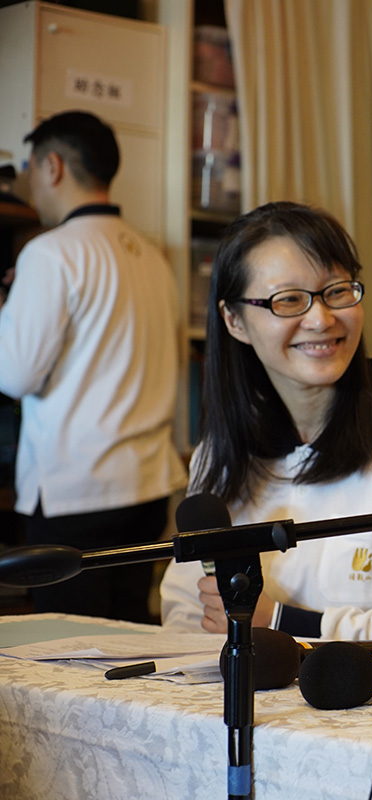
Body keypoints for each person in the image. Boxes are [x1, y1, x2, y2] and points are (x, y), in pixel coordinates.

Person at [158, 202, 372, 658]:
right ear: (234, 320)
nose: (320, 319)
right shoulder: (220, 451)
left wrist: (284, 623)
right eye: (289, 300)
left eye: (336, 291)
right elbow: (184, 610)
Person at [0, 111, 186, 623]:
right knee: (129, 634)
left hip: (74, 489)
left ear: (53, 166)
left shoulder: (50, 253)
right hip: (146, 485)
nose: (29, 183)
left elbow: (14, 374)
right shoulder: (152, 256)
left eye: (30, 168)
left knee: (69, 645)